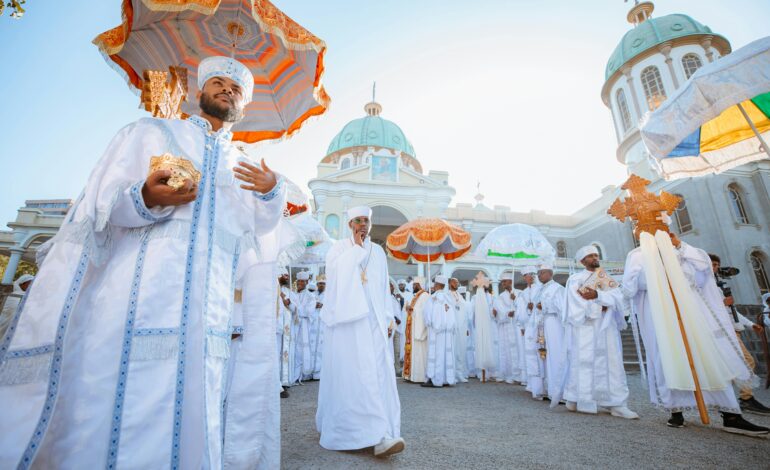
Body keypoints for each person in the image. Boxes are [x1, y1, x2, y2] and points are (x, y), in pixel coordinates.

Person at [0, 56, 287, 468]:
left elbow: (258, 231)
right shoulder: (152, 132)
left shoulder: (242, 162)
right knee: (122, 407)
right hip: (136, 303)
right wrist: (145, 197)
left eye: (237, 89)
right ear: (199, 92)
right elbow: (100, 206)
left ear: (244, 104)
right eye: (219, 83)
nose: (228, 90)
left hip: (209, 312)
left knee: (197, 405)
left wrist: (269, 193)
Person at [622, 228, 768, 436]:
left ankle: (731, 415)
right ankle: (676, 410)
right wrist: (660, 273)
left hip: (692, 314)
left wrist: (679, 246)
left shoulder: (681, 251)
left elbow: (702, 273)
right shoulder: (637, 256)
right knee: (668, 358)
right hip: (661, 317)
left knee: (708, 356)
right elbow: (630, 287)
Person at [316, 206, 403, 457]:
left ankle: (384, 433)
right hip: (348, 324)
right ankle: (358, 432)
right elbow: (337, 281)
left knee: (378, 375)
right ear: (349, 224)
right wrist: (355, 249)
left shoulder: (378, 252)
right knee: (355, 376)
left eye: (366, 221)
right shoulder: (339, 249)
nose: (362, 225)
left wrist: (388, 318)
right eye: (357, 221)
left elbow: (382, 287)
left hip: (375, 322)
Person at [560, 246, 638, 419]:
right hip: (585, 327)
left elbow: (618, 297)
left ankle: (616, 403)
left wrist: (598, 296)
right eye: (590, 256)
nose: (595, 257)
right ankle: (578, 398)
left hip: (606, 327)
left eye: (596, 254)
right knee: (583, 362)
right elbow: (575, 304)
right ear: (582, 261)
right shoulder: (575, 280)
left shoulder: (604, 277)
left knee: (611, 362)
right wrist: (597, 305)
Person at [708, 254, 770, 415]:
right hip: (724, 330)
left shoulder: (718, 284)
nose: (715, 268)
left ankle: (726, 399)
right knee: (747, 361)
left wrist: (750, 324)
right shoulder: (706, 286)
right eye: (712, 264)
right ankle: (745, 398)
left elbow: (732, 310)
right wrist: (723, 303)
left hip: (734, 328)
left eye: (717, 265)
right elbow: (705, 310)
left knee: (730, 365)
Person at [525, 264, 565, 400]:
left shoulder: (558, 289)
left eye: (541, 273)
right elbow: (536, 310)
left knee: (555, 356)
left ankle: (558, 391)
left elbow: (563, 309)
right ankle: (546, 389)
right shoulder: (540, 290)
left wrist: (545, 306)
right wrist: (531, 308)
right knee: (543, 358)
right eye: (538, 273)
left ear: (549, 273)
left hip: (553, 326)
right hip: (541, 328)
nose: (539, 276)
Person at [423, 276, 456, 387]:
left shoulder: (433, 298)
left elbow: (428, 316)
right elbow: (452, 316)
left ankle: (434, 379)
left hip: (436, 333)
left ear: (437, 285)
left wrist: (431, 324)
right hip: (446, 333)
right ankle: (445, 379)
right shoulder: (448, 298)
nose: (433, 286)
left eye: (434, 284)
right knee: (445, 355)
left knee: (436, 355)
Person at [492, 272, 520, 384]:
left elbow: (523, 309)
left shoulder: (519, 293)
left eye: (505, 281)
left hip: (517, 327)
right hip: (506, 327)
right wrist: (507, 314)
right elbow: (499, 311)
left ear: (511, 282)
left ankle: (519, 375)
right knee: (506, 350)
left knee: (518, 349)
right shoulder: (500, 297)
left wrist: (515, 299)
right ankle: (508, 373)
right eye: (502, 282)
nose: (503, 283)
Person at [514, 266, 538, 388]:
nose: (532, 276)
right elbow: (519, 311)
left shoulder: (540, 289)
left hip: (539, 326)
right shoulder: (523, 293)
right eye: (529, 274)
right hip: (527, 326)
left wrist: (533, 307)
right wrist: (521, 325)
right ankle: (529, 380)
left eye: (534, 273)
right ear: (524, 277)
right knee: (528, 353)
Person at [404, 277, 430, 383]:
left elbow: (425, 313)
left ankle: (419, 377)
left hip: (419, 331)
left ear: (419, 285)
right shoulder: (417, 296)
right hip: (413, 329)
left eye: (414, 284)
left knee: (419, 354)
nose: (413, 286)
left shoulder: (425, 296)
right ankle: (411, 375)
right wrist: (410, 309)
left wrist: (413, 309)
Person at [472, 275, 497, 382]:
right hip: (479, 325)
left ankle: (491, 372)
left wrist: (494, 313)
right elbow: (472, 313)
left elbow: (494, 310)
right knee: (480, 345)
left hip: (491, 325)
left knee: (492, 346)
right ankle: (481, 372)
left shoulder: (492, 297)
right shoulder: (475, 298)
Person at [278, 270, 300, 388]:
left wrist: (288, 303)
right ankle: (275, 383)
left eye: (288, 275)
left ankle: (285, 380)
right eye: (284, 275)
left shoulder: (290, 293)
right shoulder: (272, 289)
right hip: (275, 328)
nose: (287, 277)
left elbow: (297, 310)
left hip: (286, 329)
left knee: (285, 354)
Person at [294, 270, 317, 382]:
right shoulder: (293, 294)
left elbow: (309, 311)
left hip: (304, 326)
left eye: (302, 281)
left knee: (301, 350)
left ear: (307, 282)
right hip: (294, 325)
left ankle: (302, 375)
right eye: (298, 281)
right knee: (294, 350)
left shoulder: (310, 296)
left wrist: (296, 309)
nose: (300, 283)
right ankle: (294, 375)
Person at [448, 277, 470, 383]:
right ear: (449, 283)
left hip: (462, 327)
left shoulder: (460, 296)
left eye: (457, 282)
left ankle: (460, 373)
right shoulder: (447, 295)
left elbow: (465, 312)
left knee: (461, 350)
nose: (456, 284)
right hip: (453, 327)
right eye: (454, 282)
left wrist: (466, 327)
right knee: (453, 351)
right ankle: (452, 373)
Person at [0, 274, 33, 339]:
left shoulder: (29, 296)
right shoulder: (13, 296)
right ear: (22, 284)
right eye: (29, 284)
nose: (31, 286)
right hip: (7, 323)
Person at [311, 275, 327, 380]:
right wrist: (314, 305)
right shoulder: (312, 295)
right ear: (317, 285)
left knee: (322, 348)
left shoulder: (329, 295)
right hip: (313, 324)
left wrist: (323, 305)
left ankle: (320, 373)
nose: (321, 285)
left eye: (323, 283)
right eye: (320, 283)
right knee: (312, 347)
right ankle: (311, 371)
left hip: (323, 324)